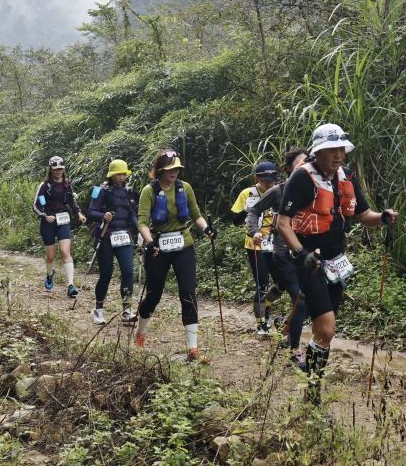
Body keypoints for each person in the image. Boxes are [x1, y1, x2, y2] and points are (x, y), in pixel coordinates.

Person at [276, 123, 397, 404]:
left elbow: (363, 215)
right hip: (310, 261)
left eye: (341, 149)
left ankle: (311, 387)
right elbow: (283, 223)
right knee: (327, 327)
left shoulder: (346, 176)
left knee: (324, 332)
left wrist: (383, 218)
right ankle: (312, 392)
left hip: (336, 262)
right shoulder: (302, 178)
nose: (338, 154)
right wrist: (301, 253)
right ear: (318, 152)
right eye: (332, 149)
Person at [134, 149, 215, 362]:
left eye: (177, 168)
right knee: (154, 295)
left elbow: (196, 214)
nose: (174, 172)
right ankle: (140, 333)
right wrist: (149, 242)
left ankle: (193, 348)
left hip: (183, 245)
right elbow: (142, 222)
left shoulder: (184, 188)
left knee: (188, 292)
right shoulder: (149, 191)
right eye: (170, 169)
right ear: (160, 170)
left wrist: (206, 228)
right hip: (158, 248)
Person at [247, 147, 309, 369]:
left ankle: (285, 325)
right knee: (300, 300)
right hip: (283, 253)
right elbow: (253, 211)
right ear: (289, 169)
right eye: (300, 164)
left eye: (308, 162)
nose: (306, 167)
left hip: (307, 254)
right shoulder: (279, 191)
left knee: (307, 300)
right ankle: (295, 351)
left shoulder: (316, 188)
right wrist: (254, 231)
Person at [230, 160, 280, 336]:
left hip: (276, 243)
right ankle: (261, 323)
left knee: (282, 282)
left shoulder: (279, 191)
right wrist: (246, 210)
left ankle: (266, 307)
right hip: (255, 245)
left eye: (272, 179)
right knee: (262, 283)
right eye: (265, 179)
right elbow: (235, 221)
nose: (269, 183)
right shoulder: (247, 193)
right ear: (256, 178)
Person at [88, 158, 139, 324]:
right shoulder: (100, 190)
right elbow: (91, 212)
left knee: (128, 272)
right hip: (105, 237)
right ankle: (98, 310)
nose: (122, 177)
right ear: (111, 175)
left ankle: (127, 310)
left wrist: (140, 229)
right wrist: (103, 215)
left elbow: (132, 214)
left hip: (124, 236)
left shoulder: (130, 192)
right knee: (106, 274)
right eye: (118, 174)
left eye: (124, 174)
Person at [32, 156, 86, 298]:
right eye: (56, 169)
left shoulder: (67, 183)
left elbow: (72, 200)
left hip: (63, 220)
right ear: (50, 169)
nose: (58, 171)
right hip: (48, 222)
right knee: (50, 256)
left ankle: (70, 285)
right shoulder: (45, 185)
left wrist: (79, 213)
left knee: (64, 251)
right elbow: (36, 205)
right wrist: (45, 216)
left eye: (60, 169)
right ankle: (49, 275)